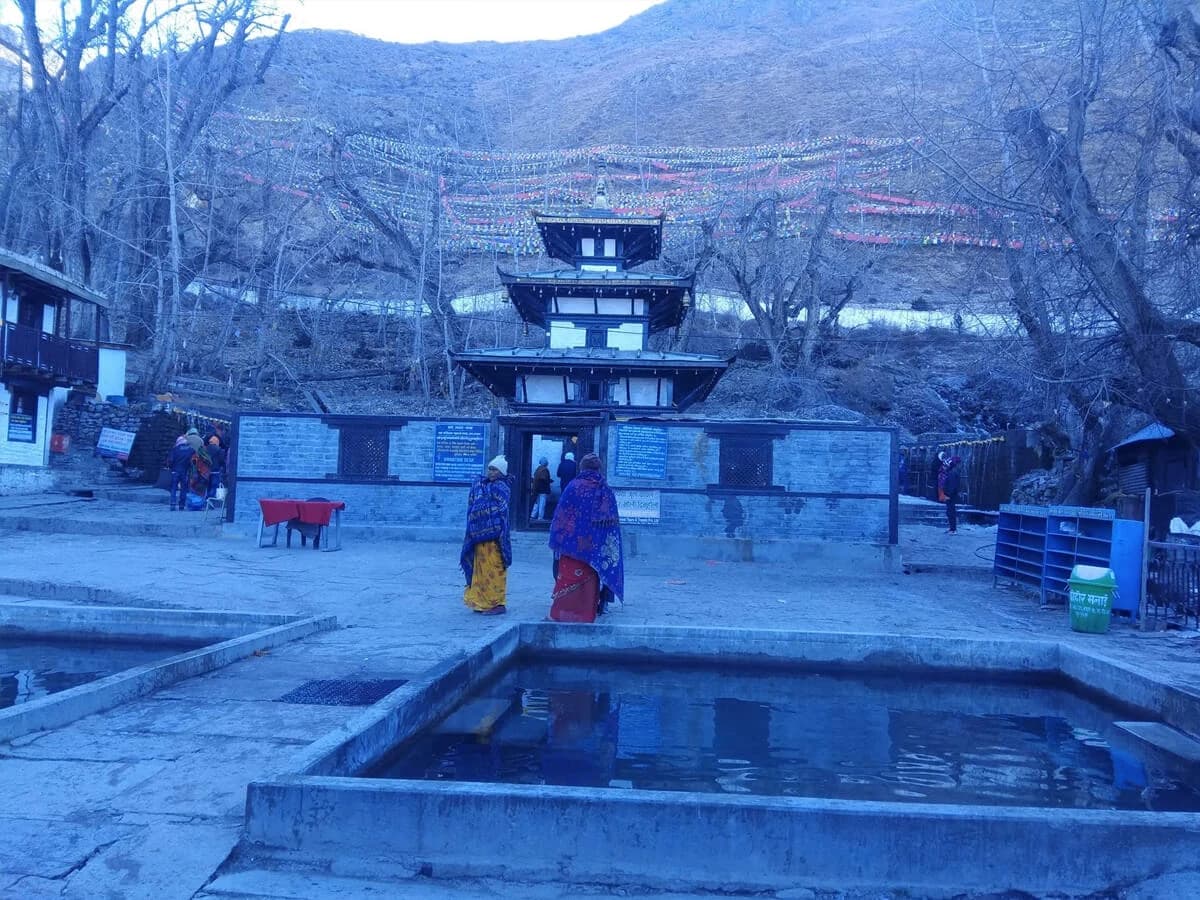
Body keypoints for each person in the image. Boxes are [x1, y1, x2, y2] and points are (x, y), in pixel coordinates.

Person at [548, 452, 624, 623]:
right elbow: (611, 524)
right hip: (595, 547)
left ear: (581, 467)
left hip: (571, 545)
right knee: (591, 578)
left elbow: (561, 515)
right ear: (599, 469)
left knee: (569, 577)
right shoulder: (605, 490)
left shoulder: (573, 486)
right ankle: (589, 610)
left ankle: (564, 612)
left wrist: (559, 539)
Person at [460, 455, 512, 616]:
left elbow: (500, 510)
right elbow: (472, 504)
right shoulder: (479, 485)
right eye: (490, 468)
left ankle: (498, 603)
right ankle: (481, 601)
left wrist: (484, 515)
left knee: (495, 568)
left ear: (501, 472)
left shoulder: (502, 488)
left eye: (495, 469)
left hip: (495, 537)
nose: (491, 472)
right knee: (480, 569)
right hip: (477, 536)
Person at [168, 435, 194, 511]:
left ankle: (173, 504)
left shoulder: (175, 449)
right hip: (185, 472)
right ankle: (181, 505)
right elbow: (193, 461)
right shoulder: (191, 450)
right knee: (184, 489)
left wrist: (171, 467)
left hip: (175, 471)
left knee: (173, 488)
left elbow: (170, 461)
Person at [940, 453, 962, 534]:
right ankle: (952, 528)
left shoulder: (952, 473)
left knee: (951, 512)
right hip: (951, 494)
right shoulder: (954, 472)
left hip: (950, 495)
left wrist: (947, 494)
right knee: (950, 511)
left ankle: (953, 529)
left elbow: (952, 485)